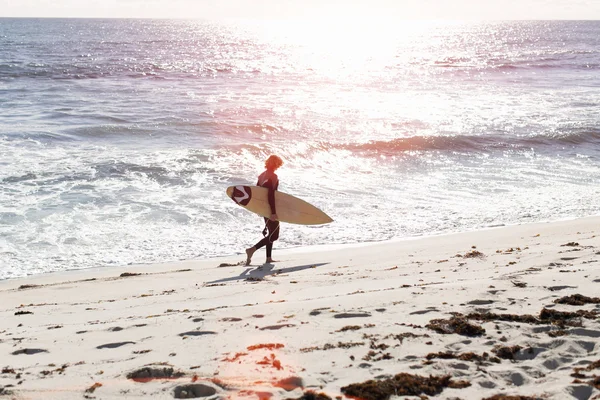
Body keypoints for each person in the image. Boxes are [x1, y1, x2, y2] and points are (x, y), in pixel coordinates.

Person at [245, 155, 284, 266]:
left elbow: (257, 194)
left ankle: (268, 258)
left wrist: (258, 208)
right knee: (274, 235)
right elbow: (271, 195)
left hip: (263, 208)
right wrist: (273, 212)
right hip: (270, 208)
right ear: (276, 164)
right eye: (278, 164)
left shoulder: (261, 176)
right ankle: (252, 249)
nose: (278, 167)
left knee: (271, 232)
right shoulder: (273, 176)